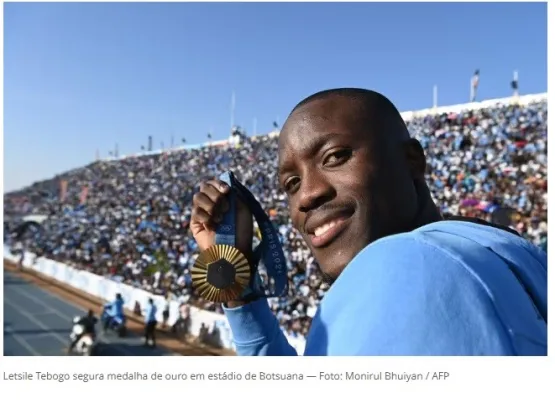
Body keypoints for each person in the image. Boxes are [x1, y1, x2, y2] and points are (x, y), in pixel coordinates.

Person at [189, 88, 547, 356]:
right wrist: (239, 294)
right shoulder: (501, 251)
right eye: (291, 184)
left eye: (335, 157)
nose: (307, 195)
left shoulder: (402, 264)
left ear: (412, 161)